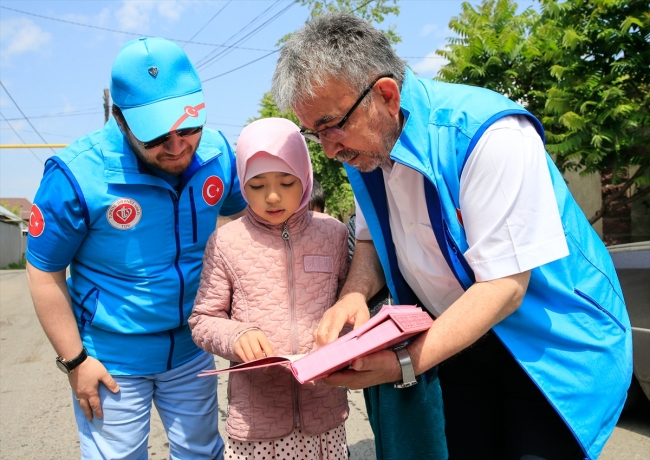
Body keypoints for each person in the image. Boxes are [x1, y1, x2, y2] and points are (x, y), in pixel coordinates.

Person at [270, 12, 632, 460]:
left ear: (385, 94)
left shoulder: (487, 134)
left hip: (549, 347)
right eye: (315, 133)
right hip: (457, 340)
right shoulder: (366, 150)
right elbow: (370, 241)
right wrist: (353, 296)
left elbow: (504, 287)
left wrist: (402, 364)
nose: (328, 149)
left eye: (332, 126)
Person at [26, 37, 246, 459]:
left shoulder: (218, 153)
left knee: (202, 452)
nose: (178, 146)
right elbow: (44, 271)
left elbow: (246, 223)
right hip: (111, 360)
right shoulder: (77, 174)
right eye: (157, 136)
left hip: (191, 350)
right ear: (121, 120)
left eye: (189, 127)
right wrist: (75, 362)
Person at [189, 117, 350, 460]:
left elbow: (350, 306)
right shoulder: (227, 242)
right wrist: (235, 335)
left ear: (305, 176)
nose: (273, 196)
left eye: (287, 182)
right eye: (257, 185)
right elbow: (203, 319)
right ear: (242, 184)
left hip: (324, 412)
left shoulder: (333, 234)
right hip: (257, 421)